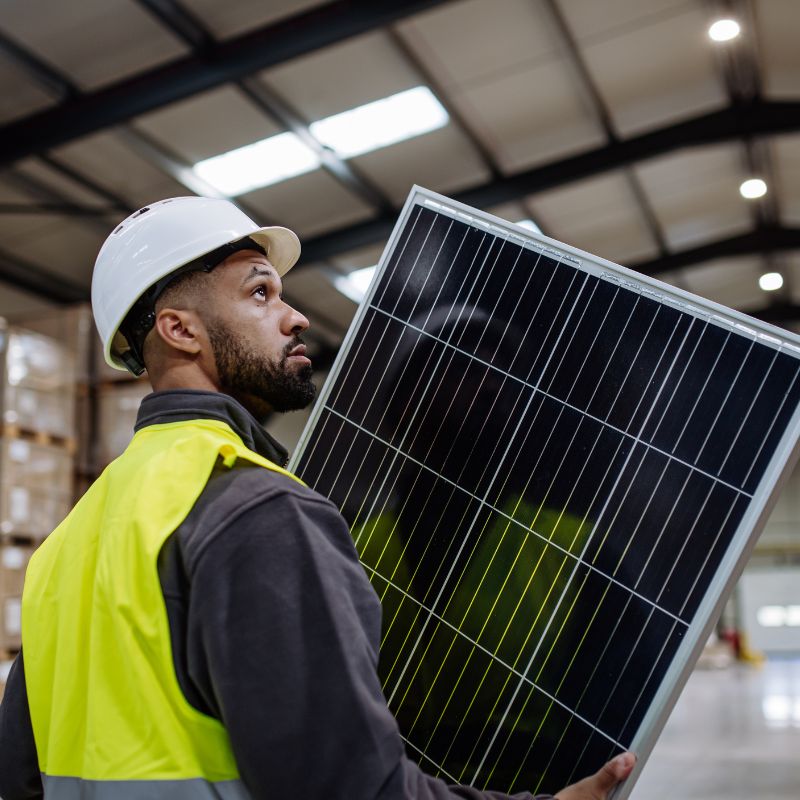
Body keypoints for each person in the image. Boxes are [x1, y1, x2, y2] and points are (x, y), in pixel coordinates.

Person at [0, 197, 635, 799]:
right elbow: (349, 787)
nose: (295, 316)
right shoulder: (256, 509)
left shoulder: (67, 544)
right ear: (180, 330)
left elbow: (19, 778)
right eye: (259, 291)